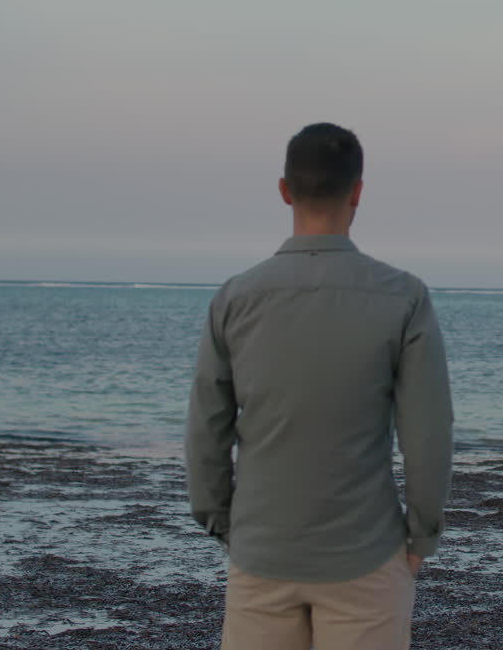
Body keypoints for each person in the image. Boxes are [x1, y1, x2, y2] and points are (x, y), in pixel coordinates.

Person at [186, 122, 454, 650]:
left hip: (262, 550)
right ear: (357, 192)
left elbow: (207, 429)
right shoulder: (403, 297)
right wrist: (423, 532)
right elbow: (427, 430)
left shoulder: (236, 298)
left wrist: (221, 522)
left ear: (285, 190)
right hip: (367, 554)